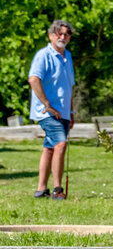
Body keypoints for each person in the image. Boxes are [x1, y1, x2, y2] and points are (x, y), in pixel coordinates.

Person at [28, 20, 75, 200]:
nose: (62, 37)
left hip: (63, 112)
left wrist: (71, 112)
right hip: (47, 112)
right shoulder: (43, 55)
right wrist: (47, 104)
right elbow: (33, 79)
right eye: (58, 33)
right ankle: (57, 189)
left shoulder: (67, 56)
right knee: (60, 145)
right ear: (51, 35)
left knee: (49, 148)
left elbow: (69, 86)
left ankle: (41, 189)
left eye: (66, 34)